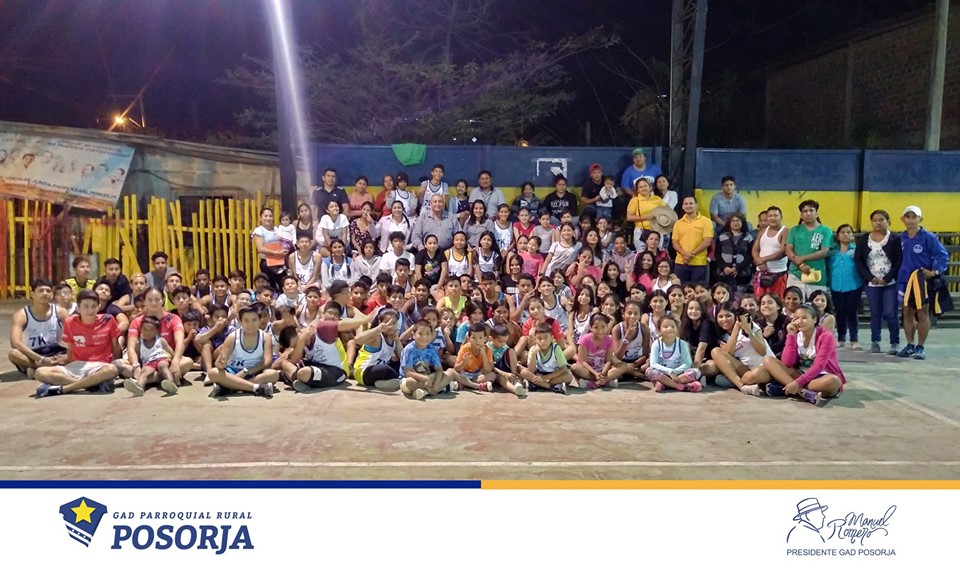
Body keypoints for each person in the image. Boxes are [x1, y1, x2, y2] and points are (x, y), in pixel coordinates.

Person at [34, 290, 121, 398]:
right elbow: (70, 350)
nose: (90, 310)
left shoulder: (108, 320)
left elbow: (116, 346)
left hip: (100, 366)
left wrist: (118, 364)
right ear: (78, 308)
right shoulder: (70, 322)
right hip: (77, 365)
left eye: (94, 306)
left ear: (98, 307)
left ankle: (64, 389)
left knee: (112, 370)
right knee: (39, 372)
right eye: (86, 306)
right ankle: (90, 385)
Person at [760, 303, 845, 406]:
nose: (799, 321)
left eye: (804, 318)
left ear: (814, 319)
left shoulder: (826, 336)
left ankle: (785, 388)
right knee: (768, 360)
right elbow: (787, 362)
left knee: (834, 381)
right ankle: (802, 392)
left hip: (820, 375)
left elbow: (819, 365)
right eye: (796, 318)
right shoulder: (796, 335)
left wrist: (797, 383)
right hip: (800, 373)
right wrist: (791, 335)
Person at [896, 205, 949, 360]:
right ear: (902, 219)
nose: (911, 220)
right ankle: (910, 344)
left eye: (914, 217)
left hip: (921, 281)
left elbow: (942, 255)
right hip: (904, 280)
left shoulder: (929, 237)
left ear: (920, 219)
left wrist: (935, 271)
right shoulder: (901, 238)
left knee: (922, 312)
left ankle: (920, 347)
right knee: (906, 312)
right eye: (908, 217)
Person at [854, 209, 902, 354]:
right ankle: (875, 341)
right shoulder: (864, 239)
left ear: (888, 222)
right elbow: (858, 260)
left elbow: (899, 261)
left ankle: (894, 342)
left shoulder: (895, 239)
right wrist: (870, 277)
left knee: (890, 312)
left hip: (890, 282)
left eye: (881, 220)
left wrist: (887, 278)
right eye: (875, 220)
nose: (878, 223)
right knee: (875, 312)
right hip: (872, 282)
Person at [208, 306, 280, 399]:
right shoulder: (233, 337)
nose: (250, 324)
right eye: (246, 320)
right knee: (213, 373)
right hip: (233, 372)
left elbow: (267, 362)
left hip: (254, 372)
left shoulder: (265, 337)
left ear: (259, 320)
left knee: (273, 375)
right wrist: (220, 364)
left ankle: (229, 388)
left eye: (254, 320)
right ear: (240, 322)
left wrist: (246, 371)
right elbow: (220, 362)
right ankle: (257, 388)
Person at [8, 278, 70, 377]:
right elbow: (15, 343)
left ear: (52, 294)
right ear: (32, 294)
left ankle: (38, 370)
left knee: (78, 354)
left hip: (57, 352)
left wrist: (67, 355)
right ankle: (45, 367)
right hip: (34, 354)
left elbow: (74, 335)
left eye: (48, 291)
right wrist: (41, 359)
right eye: (41, 291)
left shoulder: (61, 312)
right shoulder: (21, 315)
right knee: (13, 354)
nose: (45, 293)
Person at [785, 200, 832, 297]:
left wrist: (803, 258)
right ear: (801, 215)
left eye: (811, 210)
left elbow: (825, 251)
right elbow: (788, 249)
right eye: (805, 211)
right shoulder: (794, 230)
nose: (808, 213)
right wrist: (800, 264)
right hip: (795, 275)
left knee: (816, 303)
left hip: (816, 275)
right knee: (793, 302)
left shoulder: (826, 230)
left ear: (817, 213)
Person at [400, 320, 457, 400]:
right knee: (410, 382)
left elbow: (439, 369)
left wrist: (436, 384)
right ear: (413, 335)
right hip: (412, 378)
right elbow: (408, 373)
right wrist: (424, 379)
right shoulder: (409, 349)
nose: (424, 337)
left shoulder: (431, 349)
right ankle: (441, 388)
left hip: (427, 377)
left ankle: (426, 391)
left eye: (427, 334)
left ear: (431, 335)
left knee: (450, 373)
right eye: (420, 334)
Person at [123, 315, 179, 396]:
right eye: (145, 329)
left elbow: (171, 352)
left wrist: (171, 360)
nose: (148, 332)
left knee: (162, 366)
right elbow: (138, 355)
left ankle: (171, 383)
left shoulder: (161, 341)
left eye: (151, 330)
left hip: (161, 358)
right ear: (140, 329)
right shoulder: (139, 343)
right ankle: (139, 387)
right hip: (149, 362)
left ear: (156, 331)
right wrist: (137, 366)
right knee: (144, 371)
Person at [647, 314, 703, 392]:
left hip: (679, 374)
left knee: (696, 372)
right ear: (659, 329)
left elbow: (687, 363)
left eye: (672, 326)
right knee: (650, 371)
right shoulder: (656, 344)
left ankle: (665, 384)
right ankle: (682, 386)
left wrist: (674, 372)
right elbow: (653, 364)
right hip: (663, 374)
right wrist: (669, 372)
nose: (669, 329)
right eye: (665, 327)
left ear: (677, 328)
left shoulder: (682, 344)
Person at [828, 224, 863, 350]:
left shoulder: (857, 250)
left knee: (852, 313)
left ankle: (854, 339)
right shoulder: (832, 251)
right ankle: (841, 338)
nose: (846, 234)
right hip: (836, 285)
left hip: (854, 285)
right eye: (842, 232)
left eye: (848, 232)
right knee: (840, 312)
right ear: (838, 236)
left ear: (853, 235)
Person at [351, 309, 404, 391]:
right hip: (364, 372)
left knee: (400, 365)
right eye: (387, 323)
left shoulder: (393, 338)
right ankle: (402, 381)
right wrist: (378, 329)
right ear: (380, 323)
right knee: (385, 369)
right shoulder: (377, 336)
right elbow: (357, 340)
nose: (391, 326)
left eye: (394, 323)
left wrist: (397, 340)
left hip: (379, 372)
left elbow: (402, 357)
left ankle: (383, 383)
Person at [671, 196, 714, 284]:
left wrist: (691, 254)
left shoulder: (706, 221)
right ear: (682, 206)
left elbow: (707, 241)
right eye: (686, 204)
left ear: (696, 205)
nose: (688, 206)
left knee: (698, 289)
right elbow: (675, 242)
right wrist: (684, 253)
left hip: (699, 263)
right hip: (681, 262)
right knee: (680, 289)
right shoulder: (678, 223)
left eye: (691, 203)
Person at [752, 206, 789, 298]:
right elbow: (755, 249)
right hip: (761, 272)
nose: (772, 218)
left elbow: (783, 251)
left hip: (778, 273)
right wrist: (759, 262)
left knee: (777, 300)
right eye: (770, 216)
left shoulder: (785, 231)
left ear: (781, 217)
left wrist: (763, 259)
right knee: (760, 299)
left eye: (775, 215)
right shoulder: (762, 231)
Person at [251, 207, 289, 293]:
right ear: (261, 218)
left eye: (270, 216)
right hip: (267, 263)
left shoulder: (277, 229)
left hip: (280, 262)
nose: (268, 218)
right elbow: (260, 248)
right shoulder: (259, 230)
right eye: (265, 216)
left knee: (283, 285)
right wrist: (276, 253)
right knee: (270, 287)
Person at [714, 212, 755, 293]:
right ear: (729, 223)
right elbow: (717, 254)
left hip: (743, 274)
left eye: (738, 220)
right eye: (733, 221)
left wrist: (737, 268)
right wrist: (724, 267)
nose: (735, 223)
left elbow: (750, 256)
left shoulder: (748, 237)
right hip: (723, 273)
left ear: (742, 223)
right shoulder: (722, 237)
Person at [626, 178, 666, 247]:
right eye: (641, 187)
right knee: (642, 253)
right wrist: (646, 217)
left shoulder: (658, 199)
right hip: (641, 231)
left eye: (645, 186)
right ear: (637, 190)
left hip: (657, 231)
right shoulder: (634, 200)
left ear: (650, 187)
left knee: (657, 253)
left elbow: (666, 213)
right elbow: (629, 217)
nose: (643, 188)